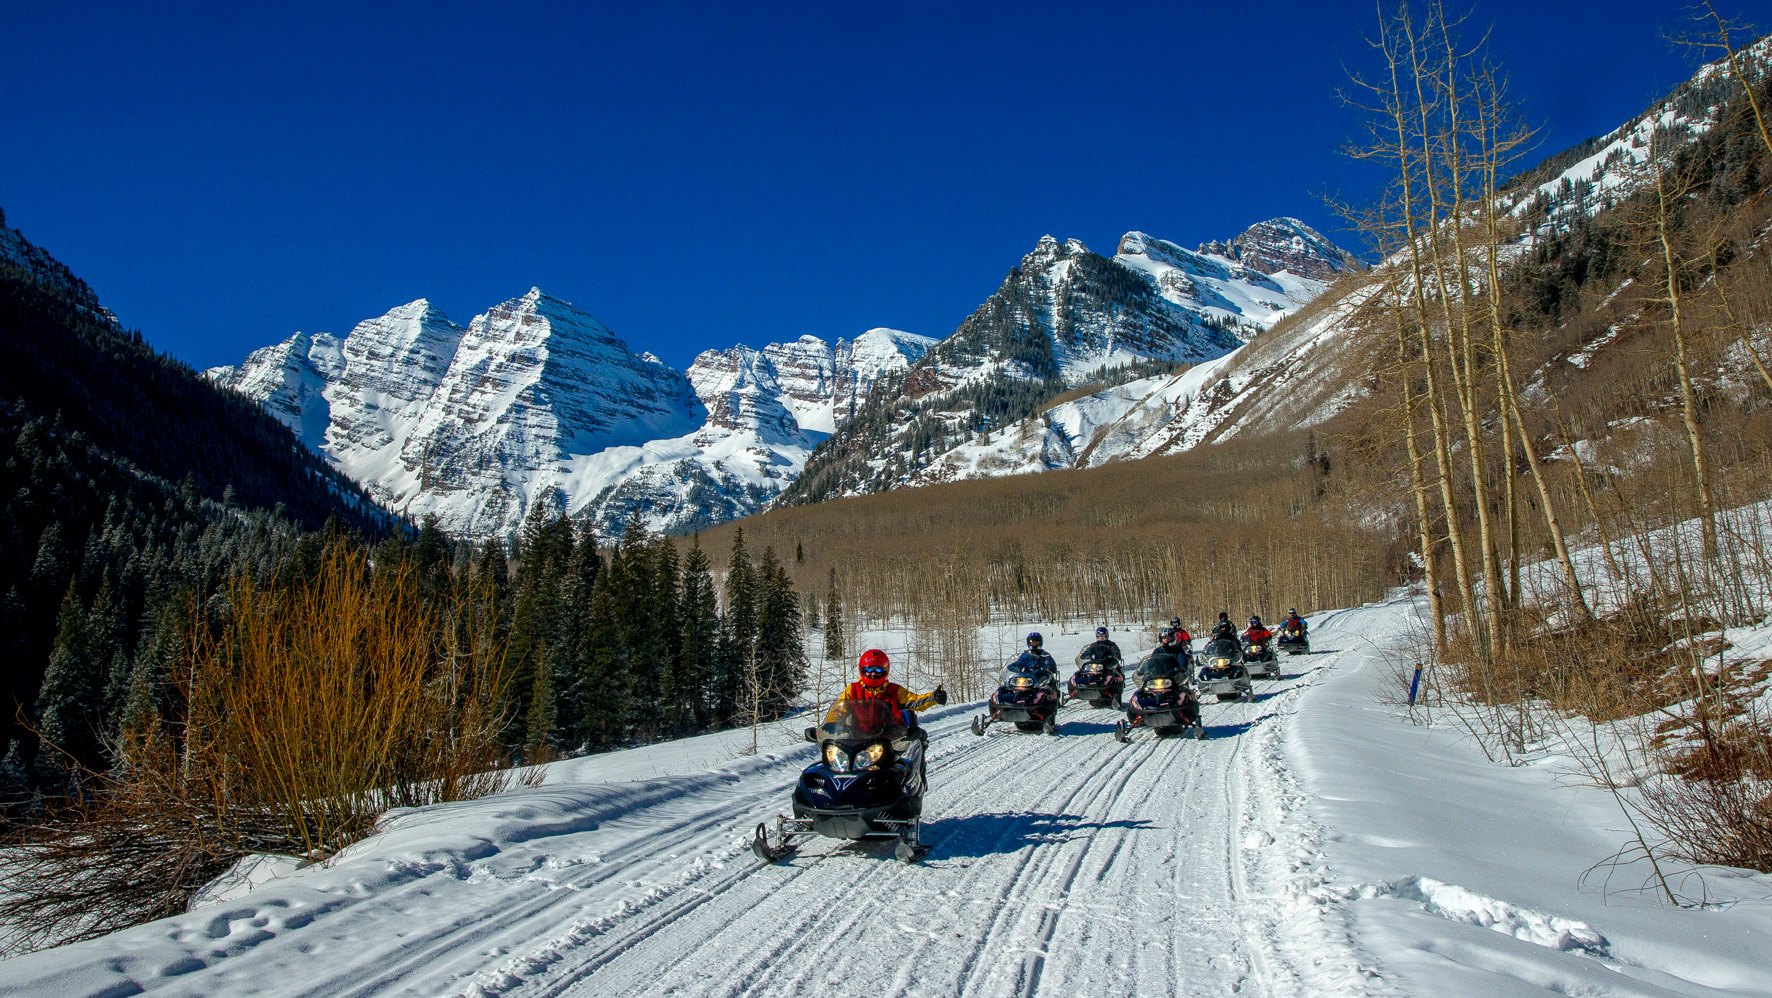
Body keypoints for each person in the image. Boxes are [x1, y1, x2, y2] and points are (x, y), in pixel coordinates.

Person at [829, 649, 946, 723]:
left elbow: (914, 701)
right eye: (869, 669)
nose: (873, 673)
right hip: (858, 737)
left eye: (878, 670)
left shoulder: (894, 690)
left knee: (901, 760)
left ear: (885, 670)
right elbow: (838, 712)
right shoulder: (853, 690)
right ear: (862, 670)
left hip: (890, 738)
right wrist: (828, 727)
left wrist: (933, 697)